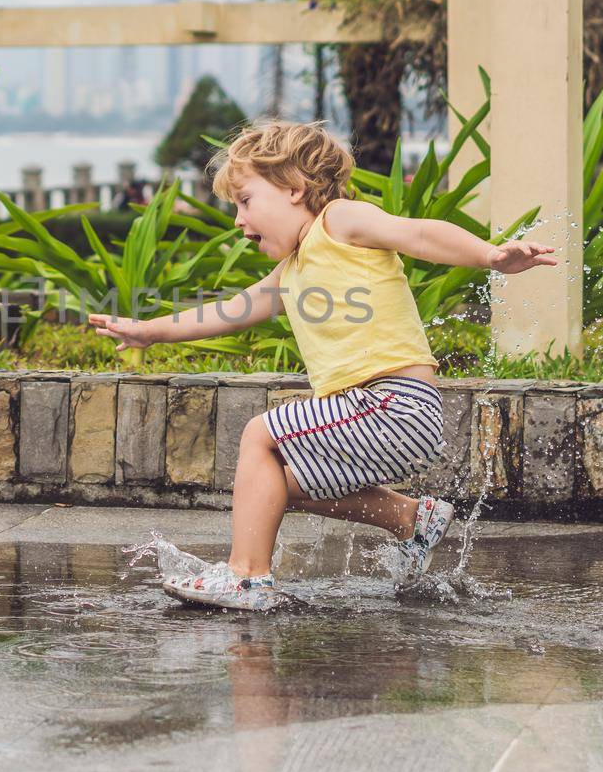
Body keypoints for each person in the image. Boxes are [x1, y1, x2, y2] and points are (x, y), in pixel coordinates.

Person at [86, 120, 555, 610]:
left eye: (245, 201)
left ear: (293, 188)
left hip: (392, 403)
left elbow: (416, 233)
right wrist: (147, 330)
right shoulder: (291, 270)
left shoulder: (339, 221)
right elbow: (229, 313)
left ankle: (246, 576)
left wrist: (491, 256)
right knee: (271, 488)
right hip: (380, 414)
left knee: (259, 435)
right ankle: (411, 519)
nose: (238, 220)